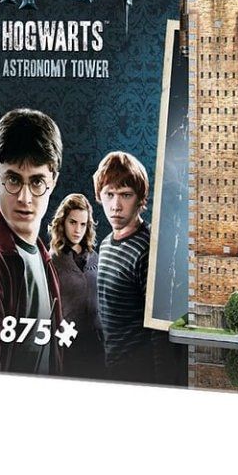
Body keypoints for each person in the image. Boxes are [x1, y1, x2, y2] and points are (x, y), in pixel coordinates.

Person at [0, 108, 64, 374]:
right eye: (13, 179)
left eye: (37, 182)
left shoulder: (43, 256)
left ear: (53, 181)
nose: (25, 198)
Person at [93, 151, 152, 373]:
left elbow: (159, 332)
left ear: (140, 198)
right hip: (111, 365)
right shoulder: (105, 245)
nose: (116, 205)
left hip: (140, 371)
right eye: (109, 194)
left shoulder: (148, 248)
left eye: (126, 195)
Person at [48, 193, 103, 376]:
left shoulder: (95, 257)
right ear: (63, 222)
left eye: (83, 224)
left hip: (97, 343)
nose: (78, 230)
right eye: (73, 222)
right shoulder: (52, 261)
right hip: (67, 344)